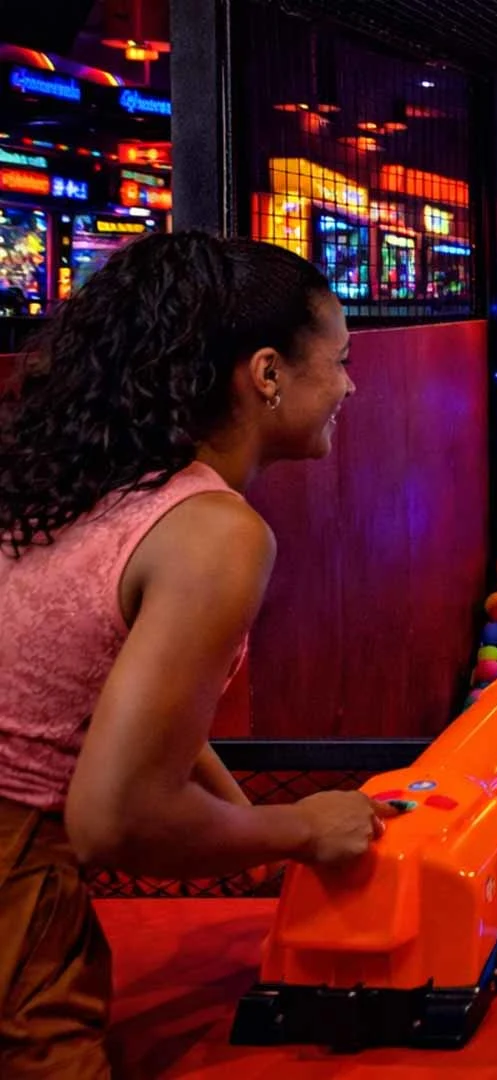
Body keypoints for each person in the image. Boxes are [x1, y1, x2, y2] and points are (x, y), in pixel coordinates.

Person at [0, 232, 394, 1078]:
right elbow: (115, 822)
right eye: (340, 359)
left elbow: (114, 702)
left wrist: (241, 825)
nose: (350, 385)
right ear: (266, 374)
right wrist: (298, 830)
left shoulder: (82, 479)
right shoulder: (214, 532)